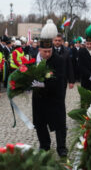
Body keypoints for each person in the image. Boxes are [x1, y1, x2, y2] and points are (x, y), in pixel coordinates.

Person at [32, 19, 67, 158]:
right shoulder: (34, 59)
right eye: (44, 51)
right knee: (39, 123)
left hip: (54, 97)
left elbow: (58, 80)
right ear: (39, 50)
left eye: (49, 51)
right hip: (39, 98)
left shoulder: (58, 60)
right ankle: (44, 145)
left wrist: (43, 84)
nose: (47, 54)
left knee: (59, 123)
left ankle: (61, 148)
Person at [52, 33, 75, 99]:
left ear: (62, 41)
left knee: (61, 98)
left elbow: (70, 67)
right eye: (55, 40)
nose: (57, 42)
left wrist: (71, 81)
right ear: (53, 41)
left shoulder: (66, 51)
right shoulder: (49, 51)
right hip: (51, 79)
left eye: (59, 40)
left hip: (62, 80)